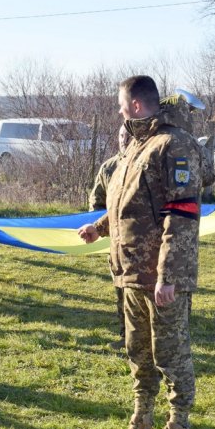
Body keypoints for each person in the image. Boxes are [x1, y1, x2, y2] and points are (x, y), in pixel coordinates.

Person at [78, 75, 202, 429]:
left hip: (160, 276)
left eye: (120, 105)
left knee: (171, 355)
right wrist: (99, 228)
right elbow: (127, 205)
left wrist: (167, 276)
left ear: (135, 105)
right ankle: (141, 428)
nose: (118, 111)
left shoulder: (173, 144)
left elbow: (181, 216)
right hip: (130, 270)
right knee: (139, 354)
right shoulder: (136, 146)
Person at [88, 124, 131, 350]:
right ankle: (125, 335)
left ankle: (141, 338)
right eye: (121, 136)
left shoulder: (144, 164)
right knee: (120, 287)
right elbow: (96, 203)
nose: (125, 140)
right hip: (113, 238)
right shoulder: (109, 167)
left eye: (128, 136)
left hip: (138, 239)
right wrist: (99, 227)